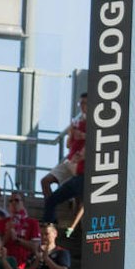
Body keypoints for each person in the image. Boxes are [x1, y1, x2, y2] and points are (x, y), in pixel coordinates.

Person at [38, 95, 86, 233]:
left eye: (86, 103)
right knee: (46, 181)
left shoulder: (96, 120)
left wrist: (83, 137)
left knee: (79, 196)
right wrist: (72, 134)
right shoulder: (77, 121)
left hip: (83, 163)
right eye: (81, 103)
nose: (83, 106)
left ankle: (74, 228)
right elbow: (68, 144)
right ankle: (51, 217)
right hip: (70, 160)